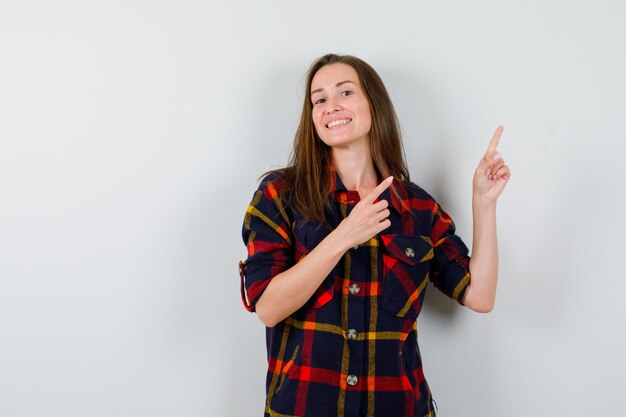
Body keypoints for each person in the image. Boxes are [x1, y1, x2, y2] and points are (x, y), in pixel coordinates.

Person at [238, 53, 510, 417]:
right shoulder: (280, 195)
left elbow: (480, 295)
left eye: (345, 93)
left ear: (373, 104)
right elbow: (268, 309)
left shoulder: (416, 207)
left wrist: (484, 204)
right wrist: (342, 238)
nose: (331, 106)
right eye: (319, 99)